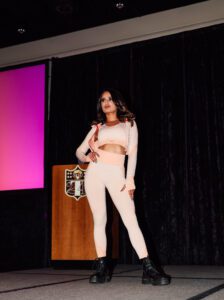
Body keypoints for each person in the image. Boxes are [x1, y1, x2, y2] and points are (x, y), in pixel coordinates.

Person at [76, 88, 171, 285]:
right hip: (94, 171)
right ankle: (102, 267)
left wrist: (130, 181)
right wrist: (87, 157)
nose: (106, 102)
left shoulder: (129, 124)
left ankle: (148, 268)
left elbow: (133, 153)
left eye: (110, 99)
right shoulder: (98, 127)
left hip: (116, 172)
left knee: (130, 220)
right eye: (103, 100)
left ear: (118, 102)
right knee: (100, 219)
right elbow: (79, 151)